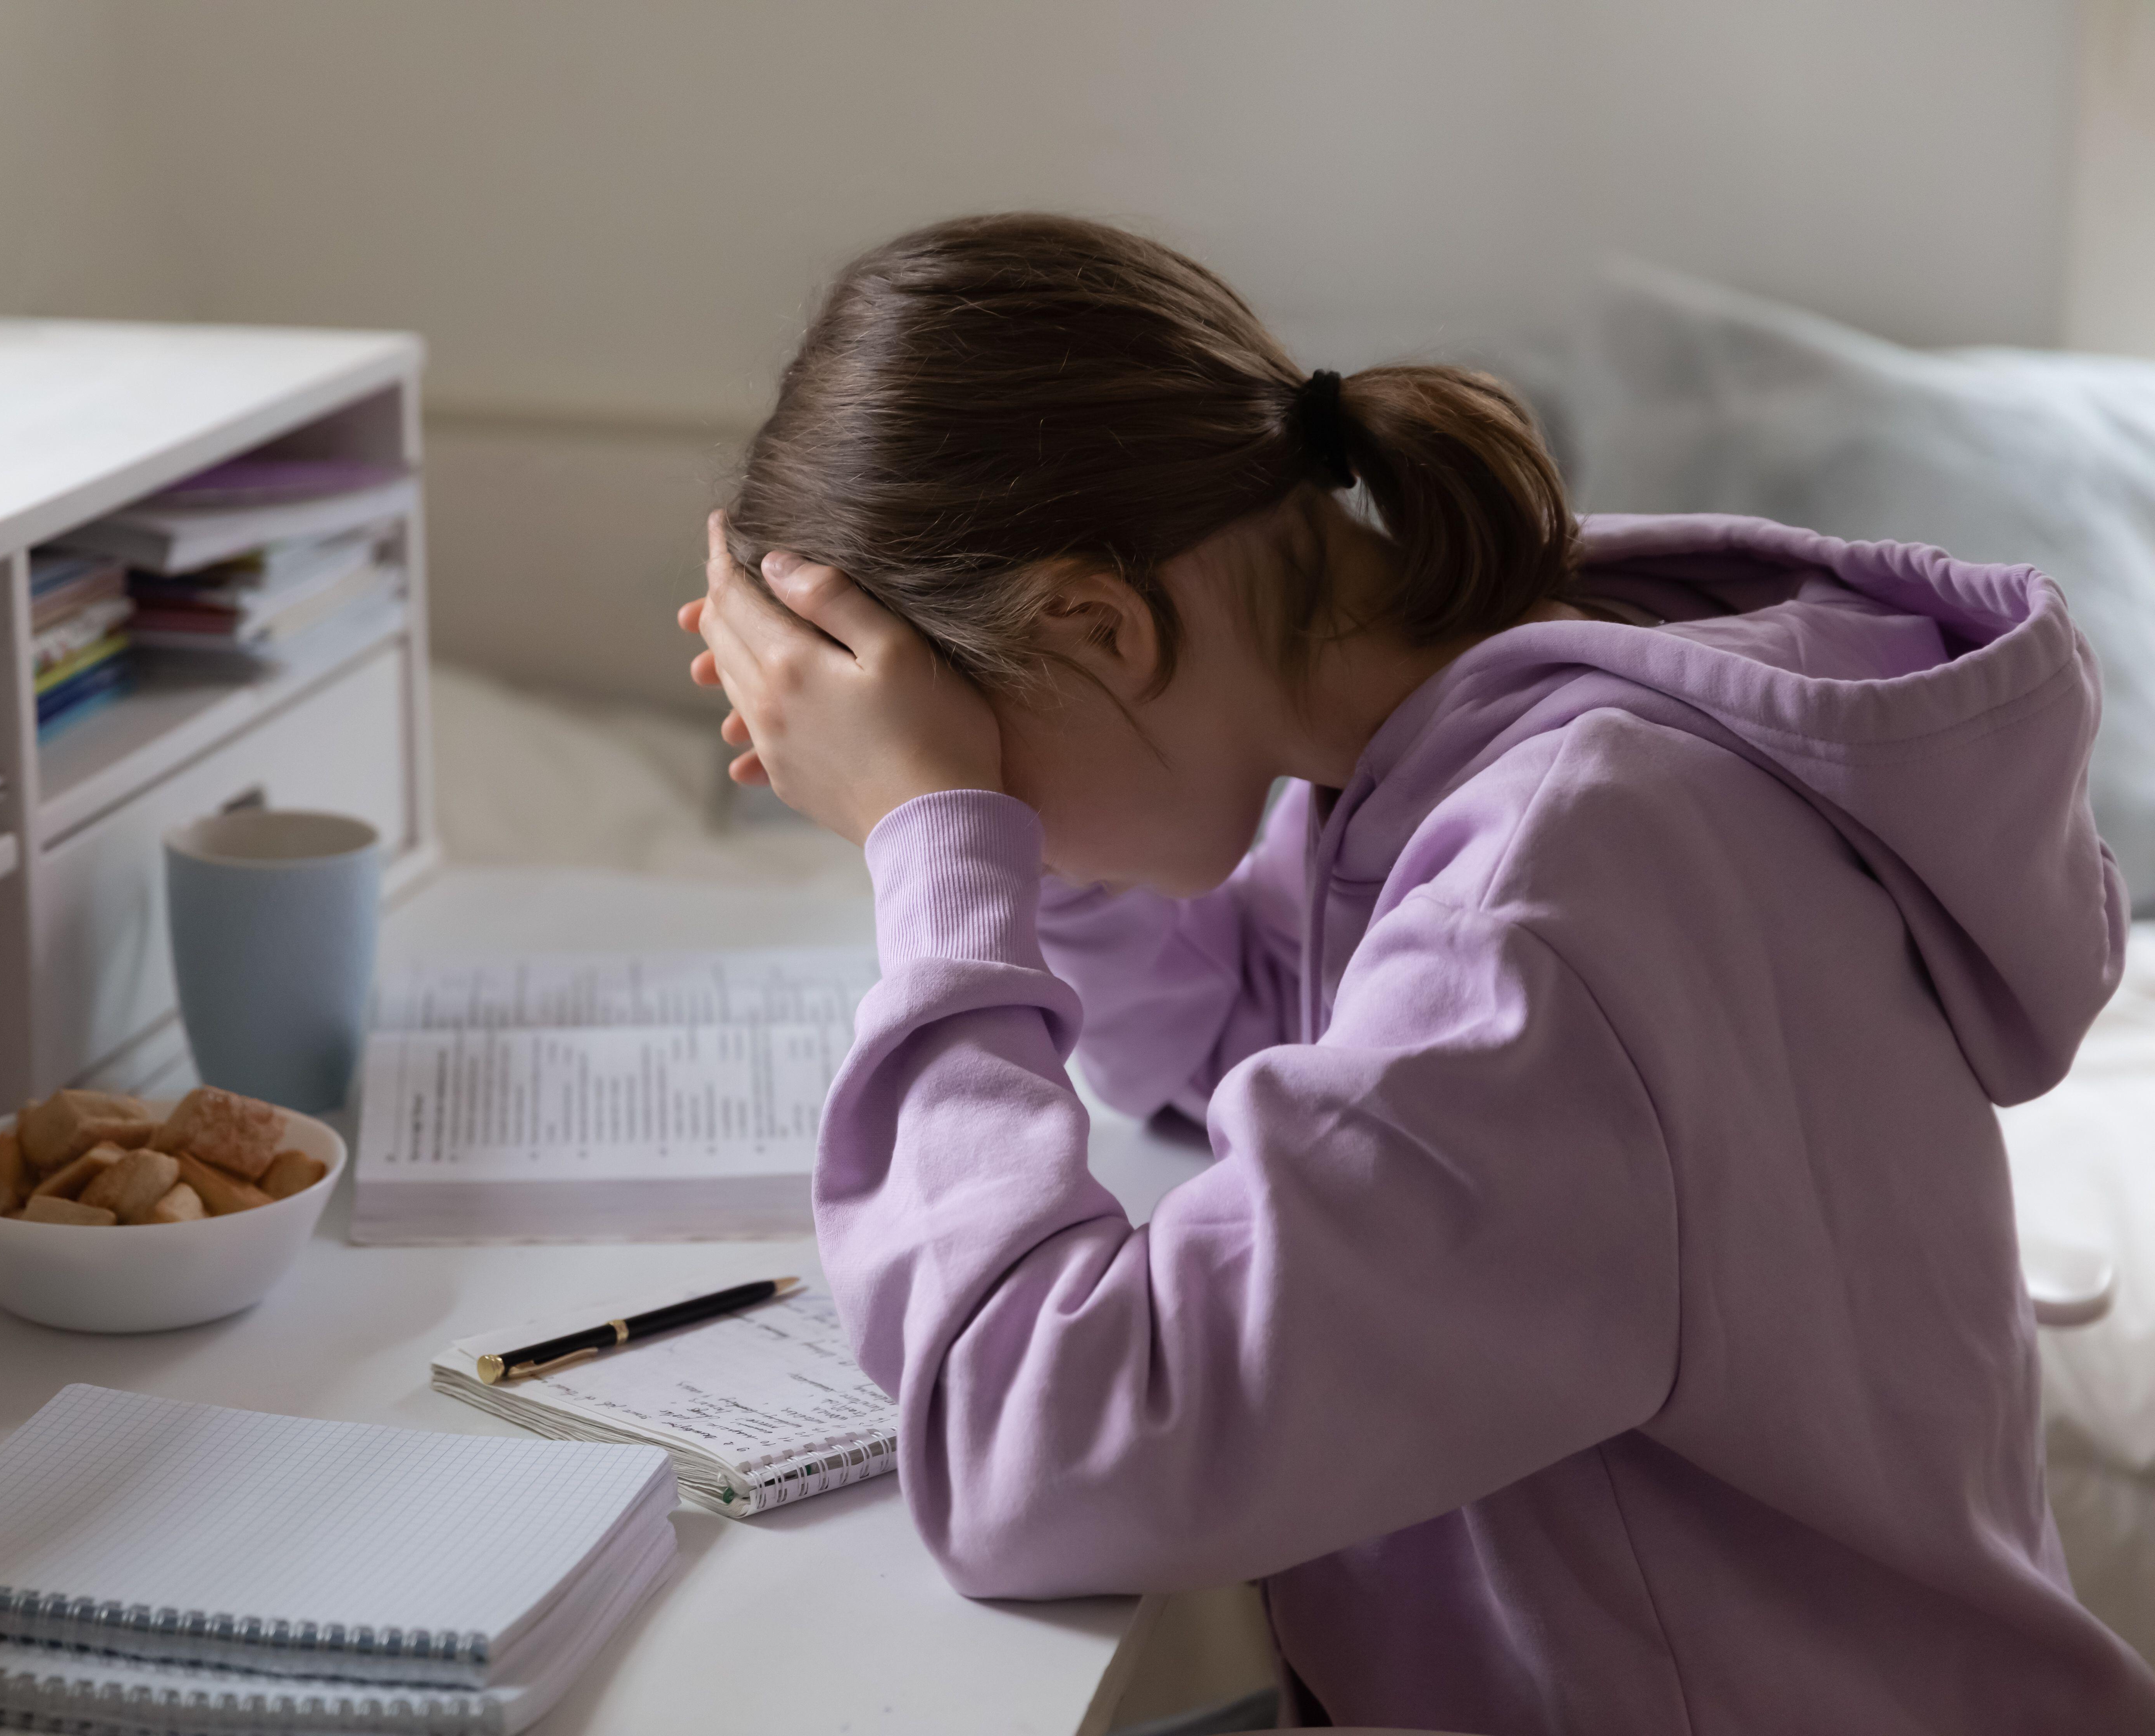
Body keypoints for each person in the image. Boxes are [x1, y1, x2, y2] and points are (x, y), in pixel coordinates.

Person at [676, 214, 2155, 1734]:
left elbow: (1040, 1450)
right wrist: (988, 824)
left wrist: (935, 847)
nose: (989, 805)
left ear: (1094, 623)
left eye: (978, 738)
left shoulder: (1553, 905)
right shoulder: (1474, 718)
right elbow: (1248, 1039)